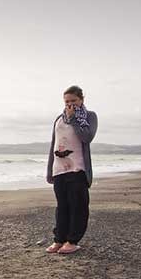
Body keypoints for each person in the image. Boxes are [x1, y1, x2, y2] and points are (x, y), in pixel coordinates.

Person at [45, 85, 98, 254]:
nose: (70, 104)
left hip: (78, 168)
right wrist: (49, 170)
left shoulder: (89, 116)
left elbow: (87, 137)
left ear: (81, 100)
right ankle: (59, 239)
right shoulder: (59, 119)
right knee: (62, 207)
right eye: (67, 101)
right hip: (59, 169)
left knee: (78, 206)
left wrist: (74, 118)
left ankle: (73, 241)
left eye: (73, 101)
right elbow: (54, 144)